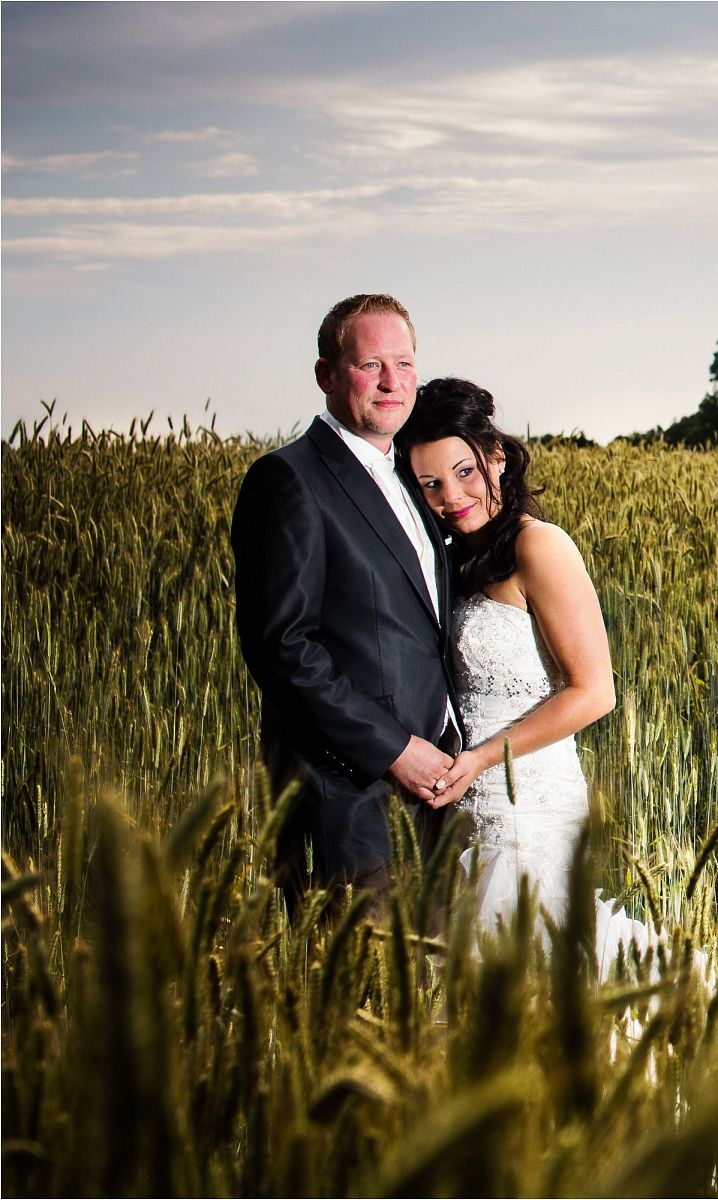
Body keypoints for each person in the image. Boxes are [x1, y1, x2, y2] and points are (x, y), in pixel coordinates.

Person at [396, 377, 658, 974]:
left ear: (496, 456)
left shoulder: (540, 546)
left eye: (464, 472)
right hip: (464, 801)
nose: (451, 496)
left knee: (539, 968)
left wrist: (485, 758)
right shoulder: (455, 556)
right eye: (430, 483)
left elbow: (595, 692)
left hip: (526, 799)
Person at [231, 294, 463, 902]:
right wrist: (394, 751)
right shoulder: (289, 479)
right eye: (370, 366)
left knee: (435, 992)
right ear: (326, 375)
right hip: (348, 803)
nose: (393, 382)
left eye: (405, 364)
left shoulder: (412, 475)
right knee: (356, 993)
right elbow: (282, 648)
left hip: (439, 798)